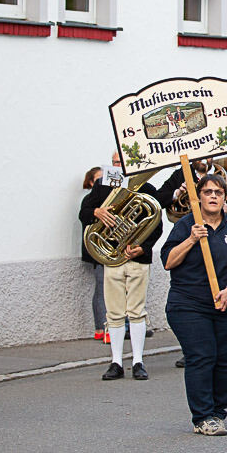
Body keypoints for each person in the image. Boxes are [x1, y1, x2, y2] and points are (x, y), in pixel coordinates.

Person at [162, 173, 227, 436]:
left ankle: (218, 412)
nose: (213, 196)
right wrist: (191, 239)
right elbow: (168, 261)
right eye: (208, 192)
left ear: (225, 197)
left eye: (219, 192)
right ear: (198, 196)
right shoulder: (186, 225)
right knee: (202, 356)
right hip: (189, 304)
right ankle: (202, 416)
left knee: (224, 360)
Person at [80, 155, 185, 381]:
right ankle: (116, 362)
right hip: (111, 258)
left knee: (137, 311)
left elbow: (156, 224)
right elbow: (84, 213)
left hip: (137, 259)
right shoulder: (102, 186)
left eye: (123, 162)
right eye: (116, 162)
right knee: (114, 313)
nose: (120, 166)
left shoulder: (147, 188)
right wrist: (97, 212)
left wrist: (143, 247)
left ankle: (138, 361)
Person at [81, 165, 107, 341]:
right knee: (102, 289)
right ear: (91, 182)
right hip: (98, 250)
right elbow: (84, 216)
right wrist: (98, 212)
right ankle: (101, 327)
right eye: (98, 179)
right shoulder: (89, 200)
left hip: (112, 250)